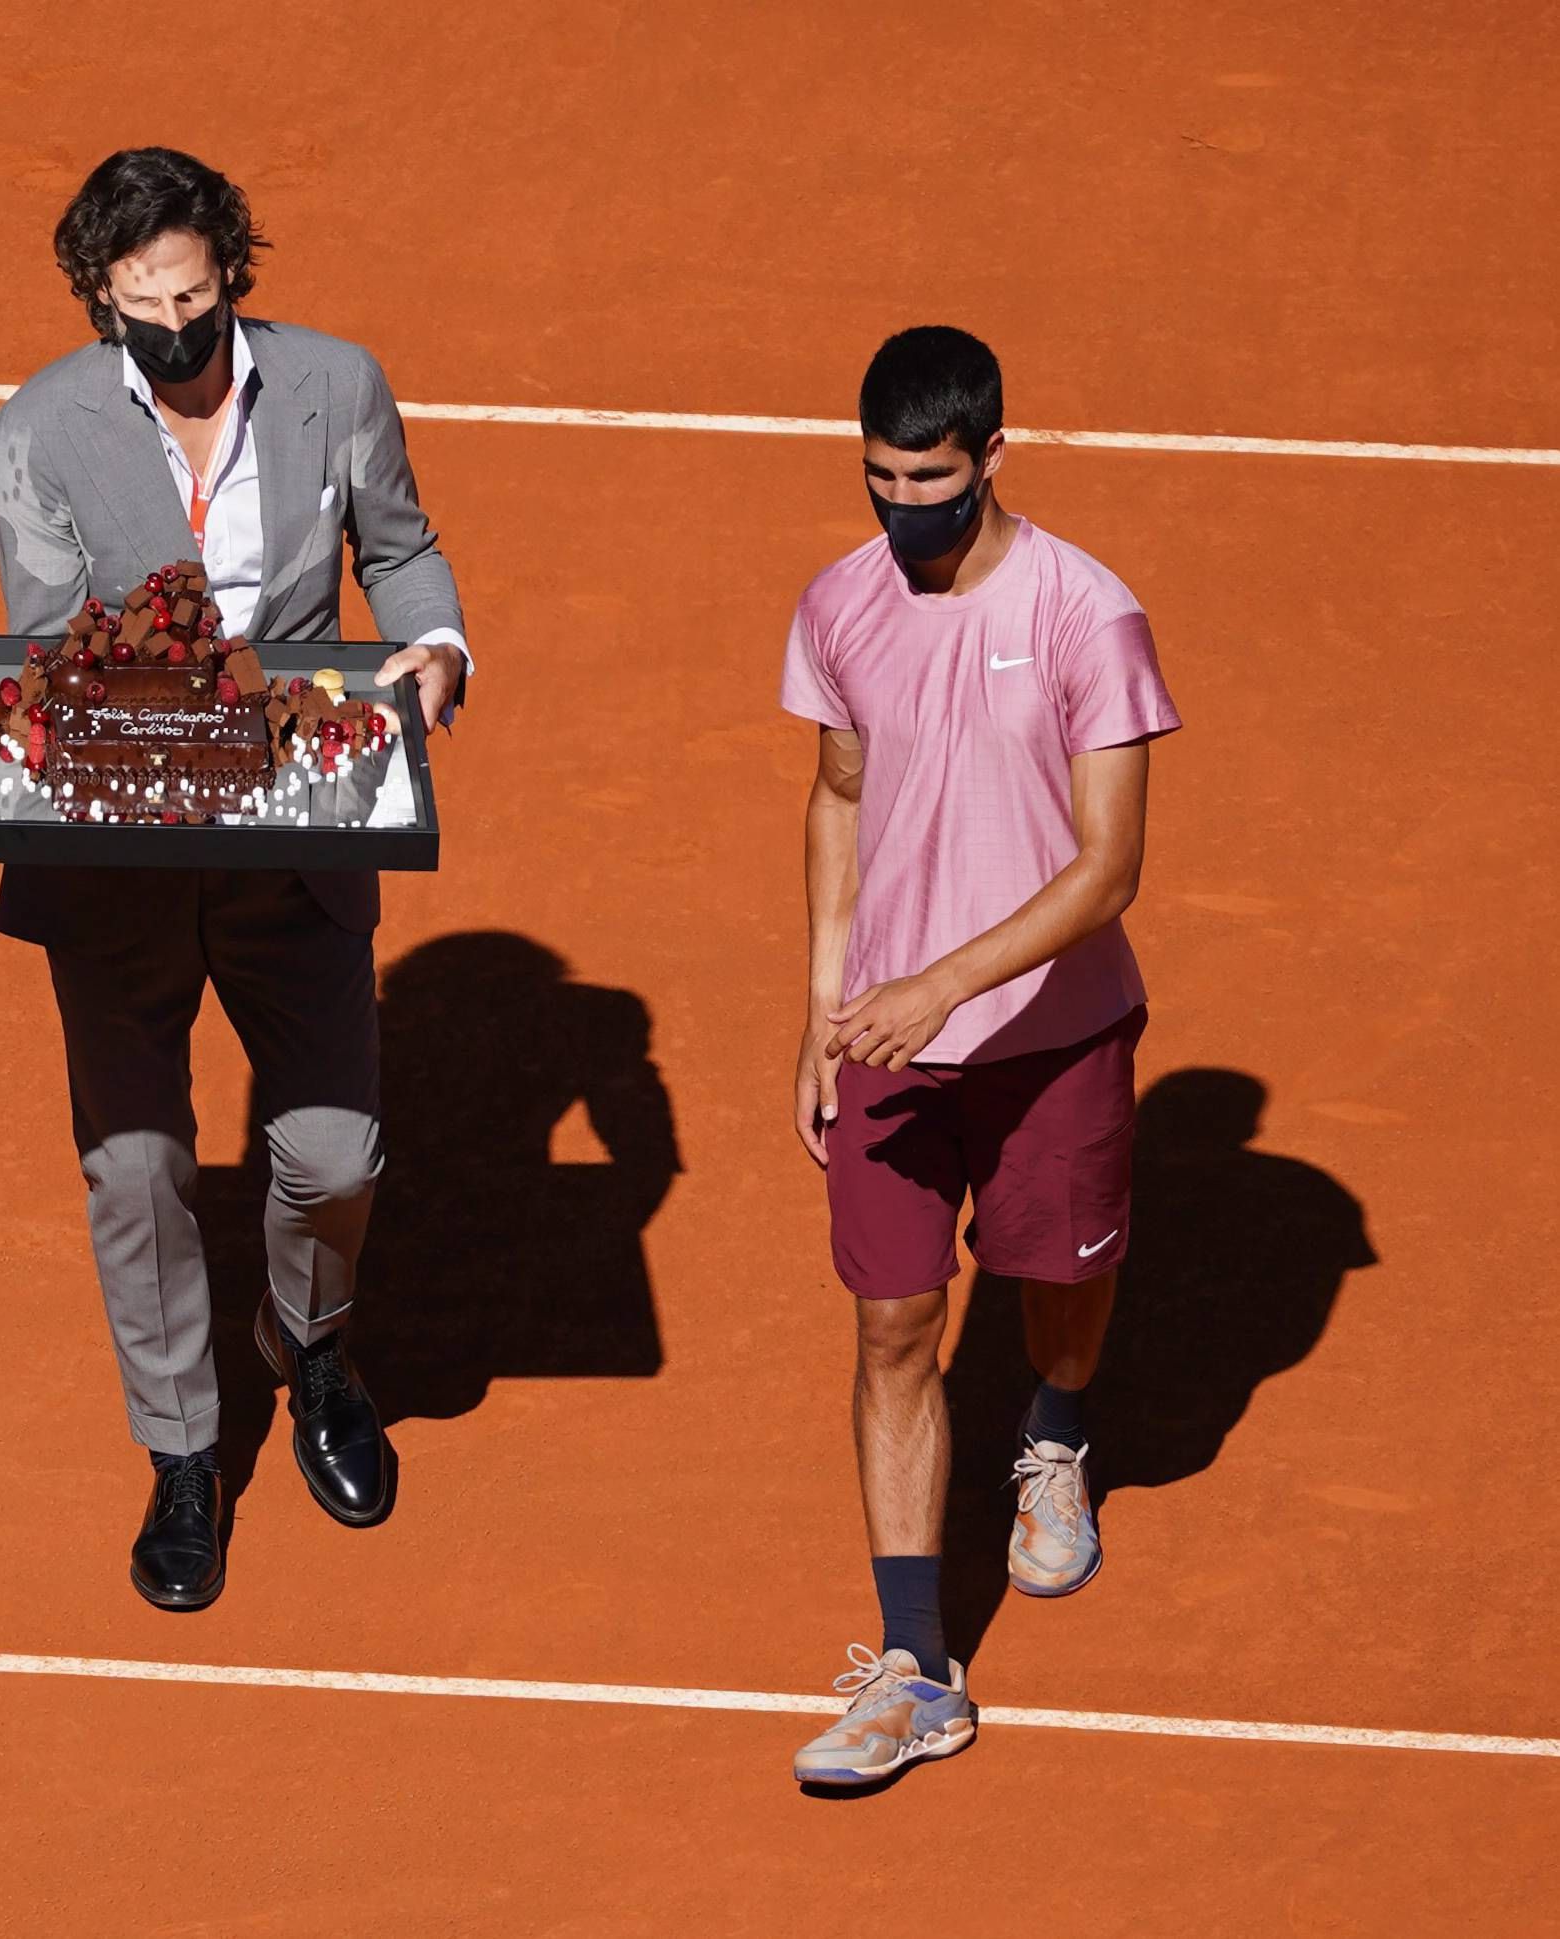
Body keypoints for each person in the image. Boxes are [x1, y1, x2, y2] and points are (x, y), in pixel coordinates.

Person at [0, 147, 471, 1609]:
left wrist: (437, 649)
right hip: (121, 857)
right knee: (135, 1176)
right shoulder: (39, 429)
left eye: (194, 297)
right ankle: (184, 1452)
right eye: (141, 309)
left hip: (298, 835)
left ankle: (306, 1342)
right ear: (99, 301)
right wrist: (217, 675)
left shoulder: (339, 386)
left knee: (331, 1157)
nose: (175, 332)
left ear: (232, 277)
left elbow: (407, 549)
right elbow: (58, 641)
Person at [780, 326, 1181, 1784]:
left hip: (1052, 1036)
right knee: (895, 1327)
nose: (904, 510)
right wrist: (827, 1011)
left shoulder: (1087, 615)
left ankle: (1056, 1433)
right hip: (886, 1040)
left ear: (994, 457)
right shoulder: (842, 601)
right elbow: (836, 797)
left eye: (931, 481)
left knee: (1058, 1284)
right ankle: (914, 1666)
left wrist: (937, 985)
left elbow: (1109, 868)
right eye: (879, 480)